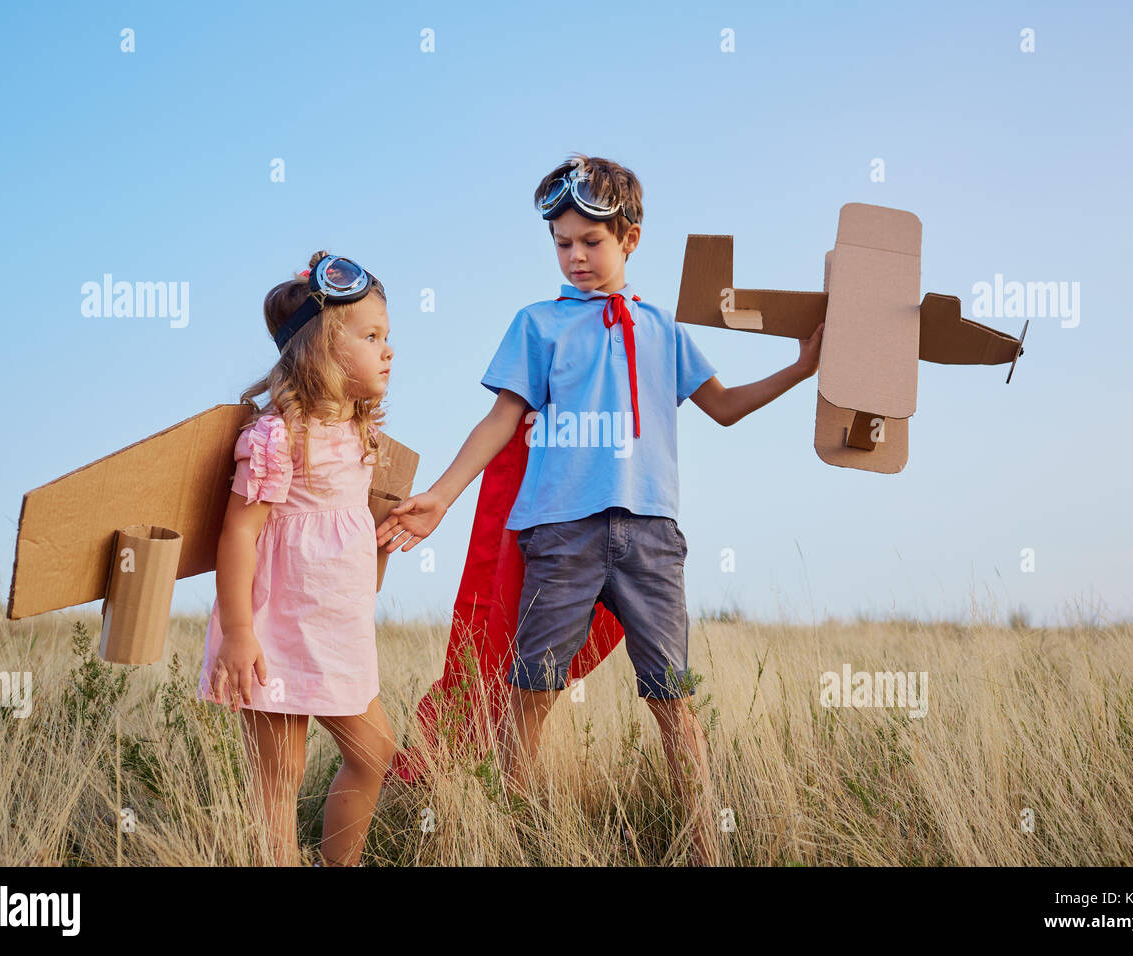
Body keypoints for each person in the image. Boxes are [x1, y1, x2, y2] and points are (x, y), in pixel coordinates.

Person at [376, 154, 824, 865]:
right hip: (560, 534)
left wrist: (801, 369)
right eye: (563, 243)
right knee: (531, 693)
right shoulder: (539, 325)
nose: (576, 256)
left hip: (650, 536)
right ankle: (518, 843)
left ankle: (705, 847)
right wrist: (440, 494)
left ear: (631, 239)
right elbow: (500, 421)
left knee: (673, 698)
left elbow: (727, 408)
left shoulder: (665, 331)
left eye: (592, 241)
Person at [197, 251, 397, 867]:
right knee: (279, 779)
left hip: (337, 630)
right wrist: (237, 633)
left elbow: (344, 531)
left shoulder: (360, 432)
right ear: (322, 352)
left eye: (387, 336)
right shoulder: (277, 436)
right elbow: (237, 536)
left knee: (376, 752)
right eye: (370, 337)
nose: (387, 350)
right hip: (273, 632)